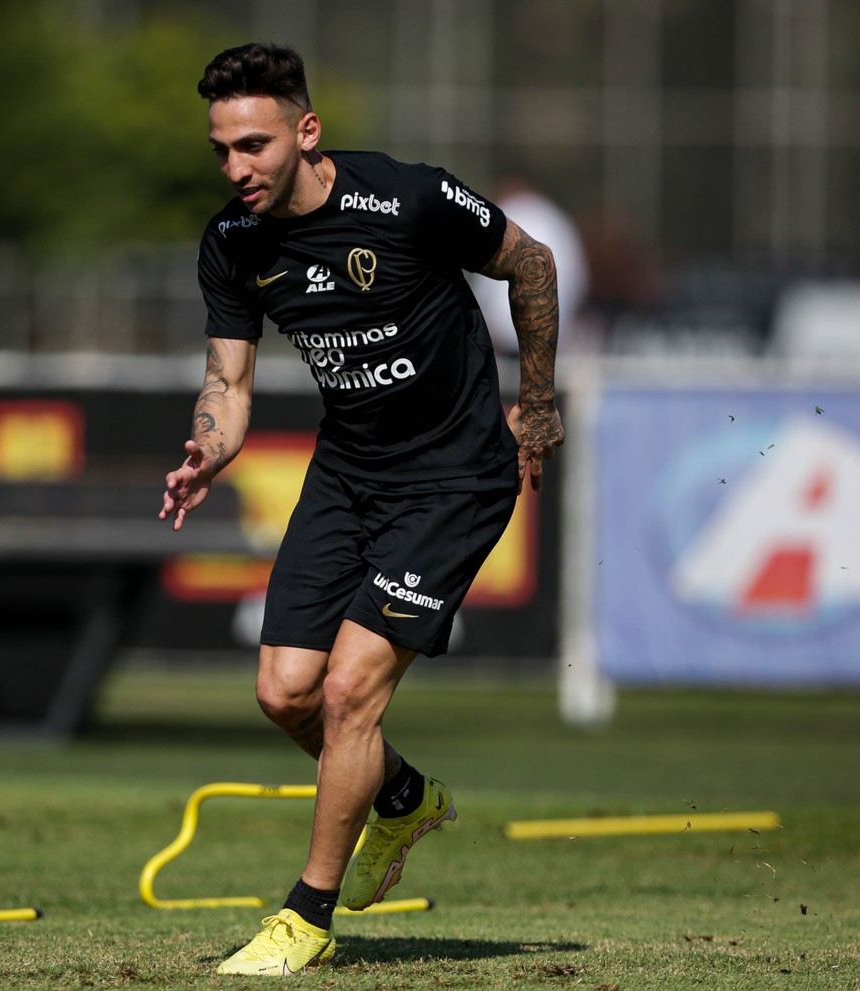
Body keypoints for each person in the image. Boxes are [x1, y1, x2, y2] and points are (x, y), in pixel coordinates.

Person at [159, 42, 564, 977]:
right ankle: (404, 796)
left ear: (307, 132)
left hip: (456, 478)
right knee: (284, 691)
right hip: (347, 474)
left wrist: (536, 401)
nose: (237, 168)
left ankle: (308, 915)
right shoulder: (233, 243)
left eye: (254, 145)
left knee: (347, 693)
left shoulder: (408, 197)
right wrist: (209, 449)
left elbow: (531, 263)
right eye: (222, 150)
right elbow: (229, 381)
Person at [469, 175, 589, 355]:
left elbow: (482, 286)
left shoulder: (503, 215)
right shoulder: (556, 219)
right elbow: (578, 280)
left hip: (504, 338)